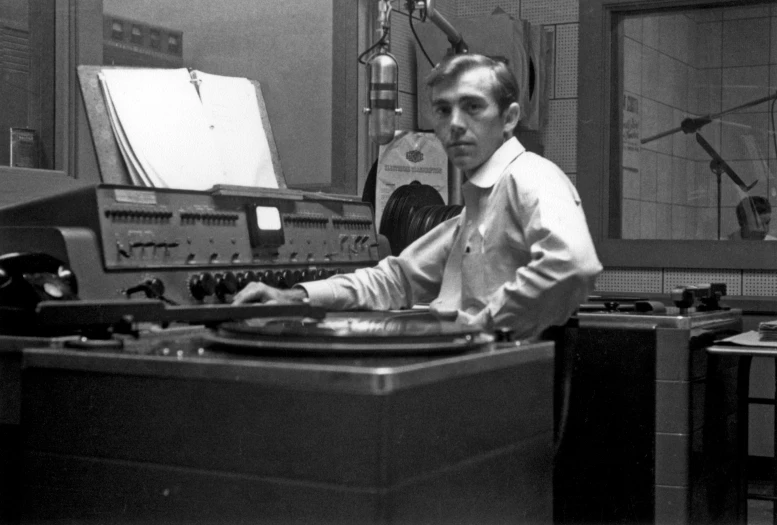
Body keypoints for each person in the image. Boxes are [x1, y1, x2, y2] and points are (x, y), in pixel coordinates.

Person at [234, 53, 602, 339]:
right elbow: (396, 279)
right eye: (443, 110)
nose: (455, 123)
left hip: (507, 378)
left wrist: (486, 326)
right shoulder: (477, 207)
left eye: (473, 106)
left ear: (509, 118)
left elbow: (572, 262)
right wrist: (295, 297)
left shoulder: (530, 175)